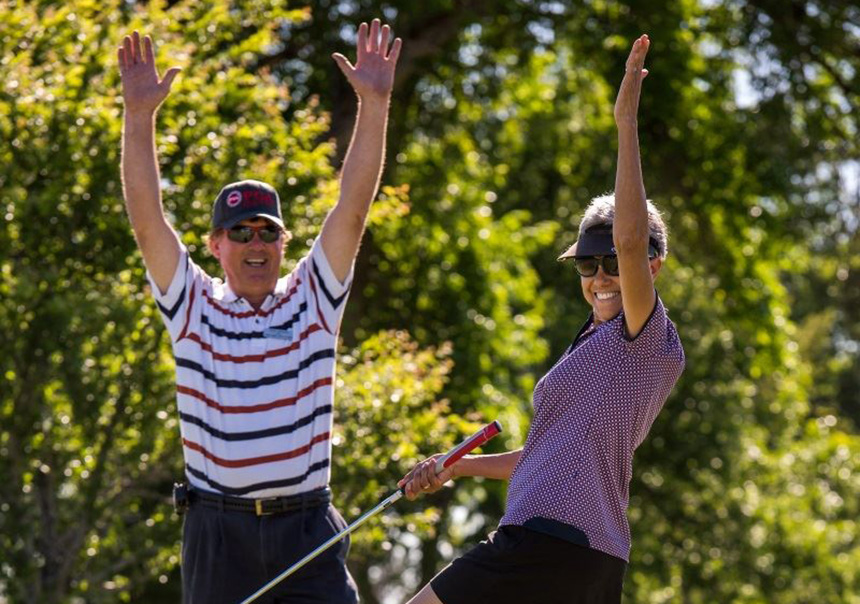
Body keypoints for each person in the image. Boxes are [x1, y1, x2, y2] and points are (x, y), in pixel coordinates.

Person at [118, 19, 401, 604]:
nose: (254, 244)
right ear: (216, 245)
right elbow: (148, 218)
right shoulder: (191, 304)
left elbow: (352, 206)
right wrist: (139, 116)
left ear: (282, 244)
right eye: (238, 232)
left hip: (306, 530)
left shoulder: (313, 298)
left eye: (266, 233)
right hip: (218, 535)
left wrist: (375, 104)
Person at [398, 35, 685, 604]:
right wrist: (460, 468)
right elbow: (545, 456)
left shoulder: (644, 337)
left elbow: (629, 240)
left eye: (612, 263)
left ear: (651, 265)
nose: (600, 276)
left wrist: (625, 123)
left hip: (550, 545)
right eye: (586, 263)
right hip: (576, 555)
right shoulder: (592, 345)